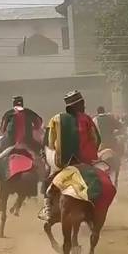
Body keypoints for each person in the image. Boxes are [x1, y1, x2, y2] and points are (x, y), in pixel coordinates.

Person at [39, 90, 101, 222]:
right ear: (77, 105)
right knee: (102, 181)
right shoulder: (87, 119)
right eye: (81, 103)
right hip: (86, 163)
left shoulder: (56, 119)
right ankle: (98, 209)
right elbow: (97, 140)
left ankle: (48, 209)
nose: (84, 105)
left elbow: (49, 143)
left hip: (63, 163)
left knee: (48, 182)